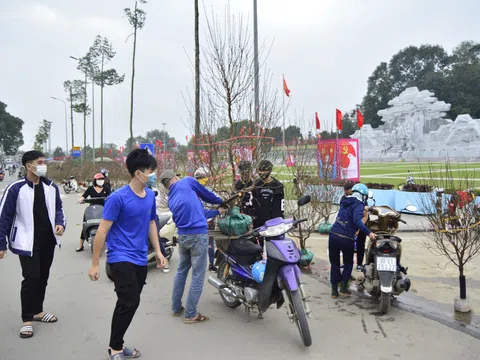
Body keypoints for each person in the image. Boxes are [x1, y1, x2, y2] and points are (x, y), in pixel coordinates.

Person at [88, 149, 167, 360]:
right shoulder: (117, 198)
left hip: (141, 257)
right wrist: (95, 264)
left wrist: (158, 251)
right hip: (120, 257)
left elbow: (152, 223)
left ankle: (118, 344)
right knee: (129, 302)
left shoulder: (150, 195)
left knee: (130, 302)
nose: (153, 175)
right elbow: (102, 231)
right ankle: (114, 348)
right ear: (138, 173)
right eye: (151, 171)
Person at [0, 150, 66, 339]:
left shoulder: (51, 187)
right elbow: (3, 217)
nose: (43, 164)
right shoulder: (16, 188)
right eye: (40, 162)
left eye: (44, 161)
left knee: (43, 276)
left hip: (48, 241)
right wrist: (1, 243)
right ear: (29, 166)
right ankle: (27, 319)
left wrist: (60, 223)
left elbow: (59, 208)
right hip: (26, 241)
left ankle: (38, 311)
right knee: (31, 277)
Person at [160, 169, 226, 324]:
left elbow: (199, 212)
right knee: (197, 274)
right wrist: (220, 201)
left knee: (181, 271)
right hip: (198, 237)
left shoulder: (171, 198)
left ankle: (176, 308)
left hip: (183, 237)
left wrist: (217, 212)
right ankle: (190, 314)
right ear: (175, 177)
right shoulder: (187, 181)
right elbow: (207, 195)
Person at [329, 183, 376, 299]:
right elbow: (357, 220)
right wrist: (368, 232)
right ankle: (344, 289)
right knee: (348, 263)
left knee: (334, 264)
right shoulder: (359, 204)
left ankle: (334, 292)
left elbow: (351, 211)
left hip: (334, 234)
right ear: (363, 196)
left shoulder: (344, 200)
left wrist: (365, 208)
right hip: (346, 237)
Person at [76, 173, 111, 252]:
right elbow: (83, 196)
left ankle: (109, 245)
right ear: (95, 180)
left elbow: (111, 196)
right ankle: (81, 245)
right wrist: (80, 199)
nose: (100, 181)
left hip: (103, 209)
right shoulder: (90, 188)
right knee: (86, 223)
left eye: (102, 179)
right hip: (92, 209)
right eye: (99, 179)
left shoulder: (106, 188)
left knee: (108, 226)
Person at [194, 168, 220, 273]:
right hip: (200, 222)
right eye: (200, 178)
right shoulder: (194, 192)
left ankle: (211, 264)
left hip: (210, 221)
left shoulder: (209, 190)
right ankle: (198, 266)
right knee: (199, 246)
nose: (203, 180)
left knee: (210, 244)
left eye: (204, 178)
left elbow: (214, 203)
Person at [252, 160, 284, 228]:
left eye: (264, 170)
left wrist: (278, 221)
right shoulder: (255, 185)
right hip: (258, 221)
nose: (262, 173)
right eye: (260, 170)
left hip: (273, 221)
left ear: (270, 171)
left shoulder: (277, 186)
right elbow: (253, 203)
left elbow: (280, 207)